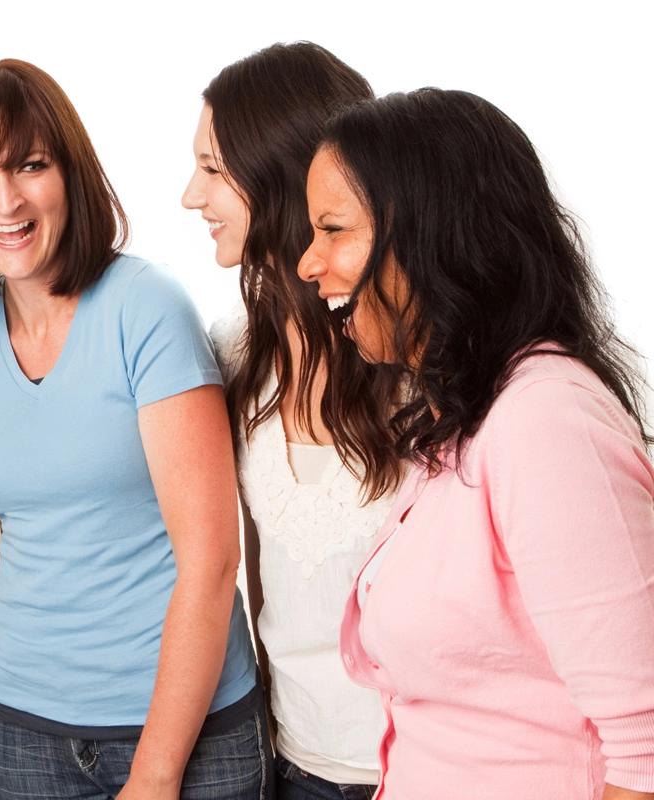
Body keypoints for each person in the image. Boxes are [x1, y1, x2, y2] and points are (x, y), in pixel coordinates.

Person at [0, 59, 268, 800]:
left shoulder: (147, 309)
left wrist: (156, 772)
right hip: (23, 729)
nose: (6, 199)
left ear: (70, 175)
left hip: (186, 727)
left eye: (31, 165)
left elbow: (211, 561)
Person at [297, 88, 654, 799]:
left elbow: (646, 752)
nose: (310, 264)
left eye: (334, 230)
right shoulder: (467, 420)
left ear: (431, 235)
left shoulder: (545, 423)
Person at [181, 42, 403, 800]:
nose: (190, 195)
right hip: (291, 763)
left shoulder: (421, 363)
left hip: (426, 769)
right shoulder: (232, 351)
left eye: (213, 168)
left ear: (277, 173)